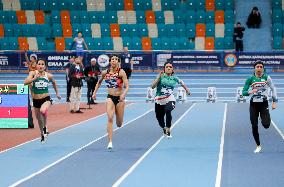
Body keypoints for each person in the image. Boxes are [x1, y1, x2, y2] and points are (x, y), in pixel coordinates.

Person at [92, 54, 129, 150]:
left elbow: (127, 86)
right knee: (110, 117)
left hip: (120, 99)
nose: (113, 61)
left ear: (118, 62)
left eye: (115, 59)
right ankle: (110, 142)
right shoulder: (105, 72)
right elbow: (99, 82)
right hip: (110, 98)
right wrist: (94, 93)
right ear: (110, 61)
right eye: (112, 59)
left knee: (119, 124)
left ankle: (119, 119)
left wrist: (123, 94)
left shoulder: (121, 72)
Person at [242, 61, 278, 153]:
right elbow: (243, 92)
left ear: (263, 68)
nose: (259, 68)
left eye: (260, 67)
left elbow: (273, 89)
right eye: (257, 66)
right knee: (254, 125)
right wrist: (250, 91)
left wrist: (274, 101)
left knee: (266, 125)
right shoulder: (250, 79)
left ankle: (263, 117)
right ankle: (258, 145)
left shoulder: (267, 78)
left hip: (263, 104)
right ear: (254, 68)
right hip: (253, 105)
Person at [24, 59, 61, 143]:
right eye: (39, 64)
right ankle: (42, 133)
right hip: (36, 99)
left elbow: (54, 83)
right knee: (39, 119)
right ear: (36, 66)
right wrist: (34, 79)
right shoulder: (32, 73)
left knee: (43, 110)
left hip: (46, 98)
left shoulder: (49, 76)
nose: (40, 66)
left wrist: (57, 93)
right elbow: (25, 82)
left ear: (45, 66)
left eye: (42, 64)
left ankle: (45, 126)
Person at [151, 61, 191, 138]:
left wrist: (187, 90)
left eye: (170, 67)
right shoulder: (160, 76)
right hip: (159, 99)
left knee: (168, 110)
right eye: (167, 67)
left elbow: (182, 83)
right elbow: (152, 86)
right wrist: (159, 77)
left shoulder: (175, 78)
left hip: (170, 98)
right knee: (160, 119)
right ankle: (164, 128)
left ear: (172, 69)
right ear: (164, 69)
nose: (169, 68)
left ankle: (168, 128)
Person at [24, 51, 38, 129]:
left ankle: (35, 101)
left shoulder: (36, 65)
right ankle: (33, 101)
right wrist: (25, 54)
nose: (31, 59)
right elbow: (27, 60)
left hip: (34, 79)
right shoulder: (30, 64)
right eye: (31, 58)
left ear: (34, 59)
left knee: (34, 91)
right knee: (30, 90)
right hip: (30, 79)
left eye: (32, 58)